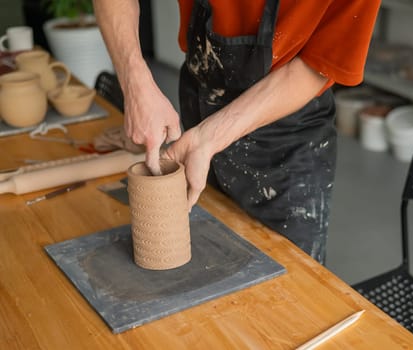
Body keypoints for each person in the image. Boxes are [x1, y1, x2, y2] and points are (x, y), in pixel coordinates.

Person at [93, 0, 381, 264]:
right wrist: (135, 84)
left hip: (286, 135)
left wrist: (209, 136)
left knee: (288, 287)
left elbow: (318, 64)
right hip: (201, 93)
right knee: (208, 258)